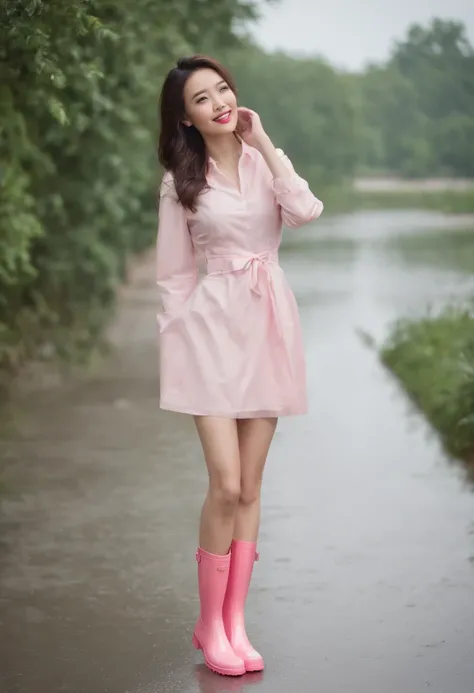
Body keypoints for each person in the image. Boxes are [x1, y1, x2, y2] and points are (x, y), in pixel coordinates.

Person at [155, 55, 323, 677]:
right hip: (210, 335)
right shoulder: (180, 179)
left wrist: (266, 142)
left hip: (268, 329)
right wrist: (175, 345)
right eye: (203, 98)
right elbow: (173, 277)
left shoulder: (261, 163)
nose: (220, 102)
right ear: (187, 118)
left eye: (223, 89)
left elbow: (305, 211)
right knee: (224, 483)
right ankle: (208, 622)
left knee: (251, 486)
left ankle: (234, 623)